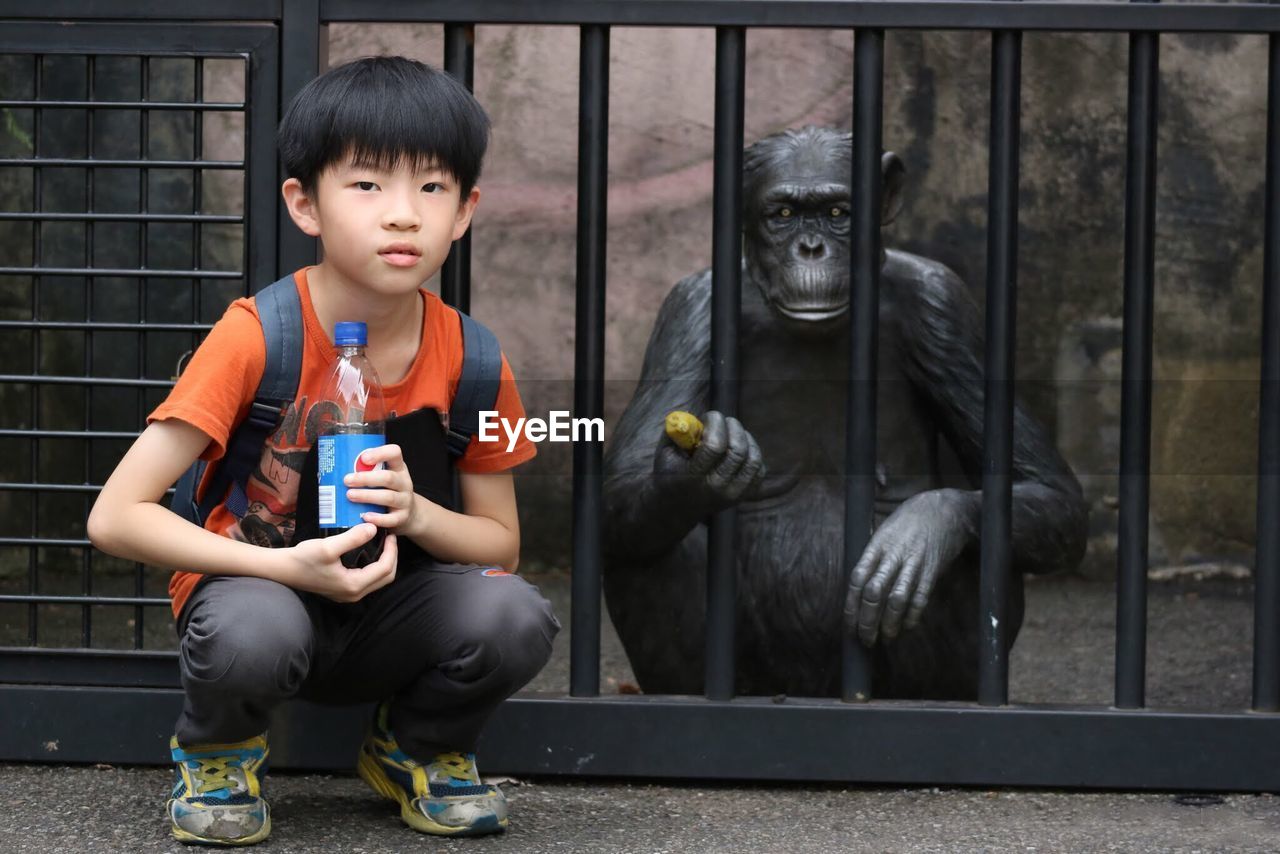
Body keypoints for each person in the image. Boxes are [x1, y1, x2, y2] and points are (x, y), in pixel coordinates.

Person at [87, 56, 559, 846]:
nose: (403, 215)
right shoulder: (256, 335)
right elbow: (114, 517)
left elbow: (500, 543)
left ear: (466, 211)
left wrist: (416, 512)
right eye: (368, 185)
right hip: (259, 598)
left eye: (433, 187)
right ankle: (219, 753)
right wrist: (284, 567)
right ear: (304, 204)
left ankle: (415, 748)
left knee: (514, 614)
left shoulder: (474, 358)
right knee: (252, 633)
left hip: (394, 609)